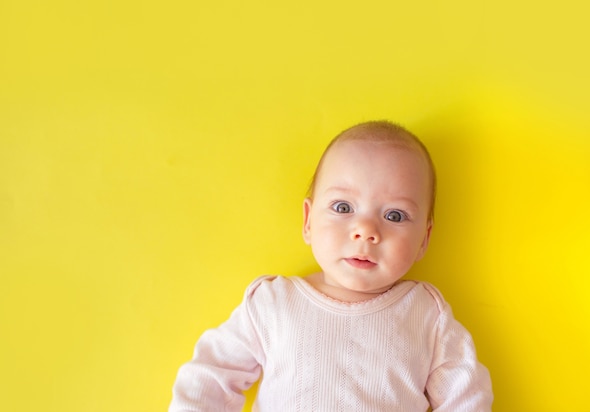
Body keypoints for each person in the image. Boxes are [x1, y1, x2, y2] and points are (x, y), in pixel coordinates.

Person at [169, 120, 493, 411]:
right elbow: (209, 377)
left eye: (394, 215)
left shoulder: (425, 315)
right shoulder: (273, 304)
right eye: (342, 207)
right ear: (308, 221)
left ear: (424, 237)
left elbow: (467, 397)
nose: (365, 230)